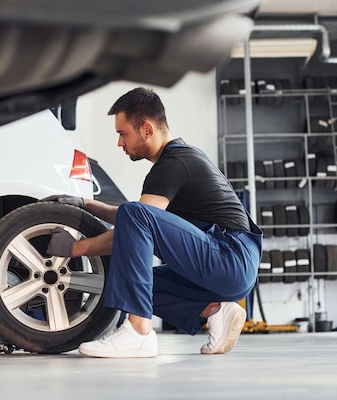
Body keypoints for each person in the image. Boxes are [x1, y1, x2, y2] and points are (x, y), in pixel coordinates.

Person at [44, 87, 263, 358]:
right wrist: (86, 204)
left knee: (135, 214)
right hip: (228, 264)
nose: (119, 143)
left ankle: (138, 332)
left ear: (147, 129)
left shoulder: (173, 164)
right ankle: (215, 310)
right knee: (123, 280)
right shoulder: (178, 159)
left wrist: (76, 248)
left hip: (230, 258)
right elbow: (135, 224)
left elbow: (136, 221)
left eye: (122, 134)